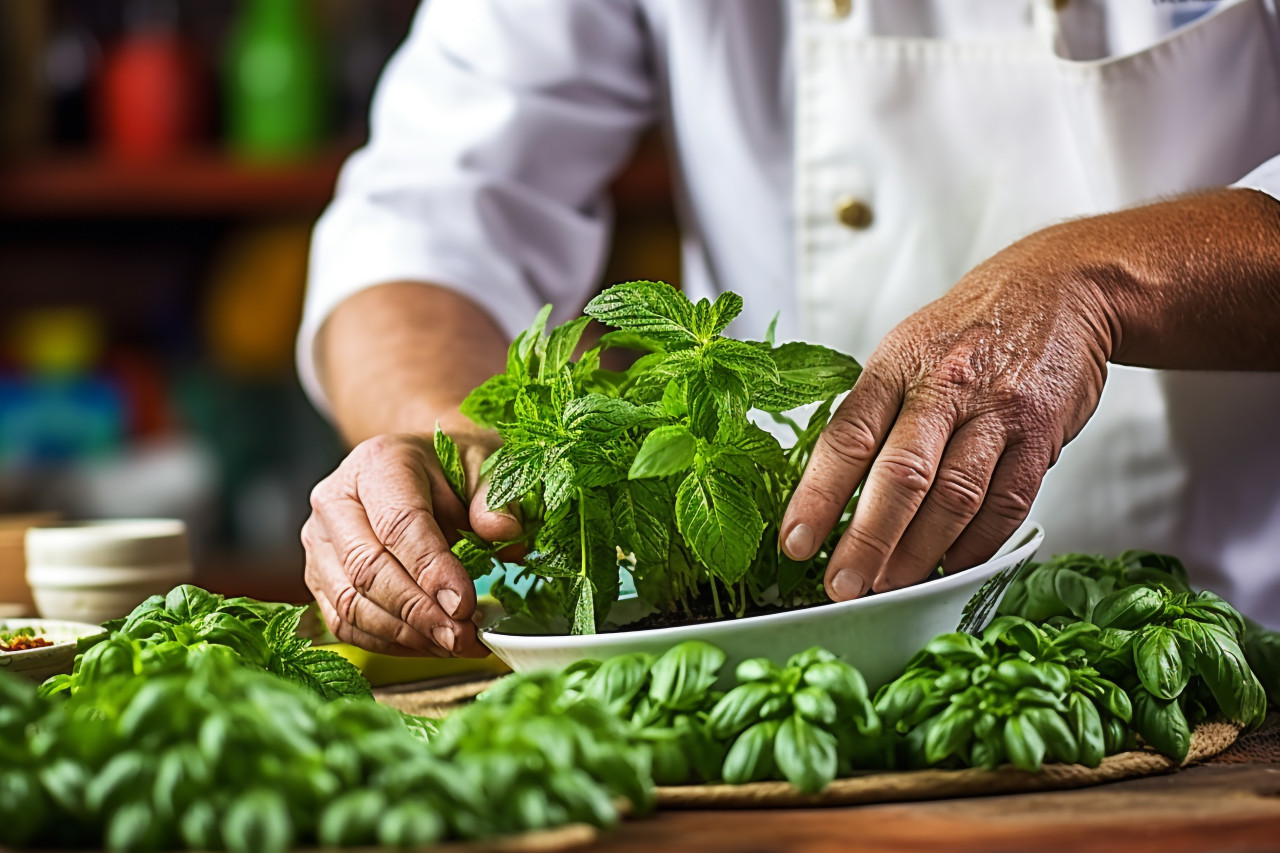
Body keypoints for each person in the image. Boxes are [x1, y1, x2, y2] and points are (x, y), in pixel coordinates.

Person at [298, 0, 1280, 658]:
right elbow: (430, 209)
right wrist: (453, 444)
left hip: (1217, 633)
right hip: (779, 664)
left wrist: (1097, 283)